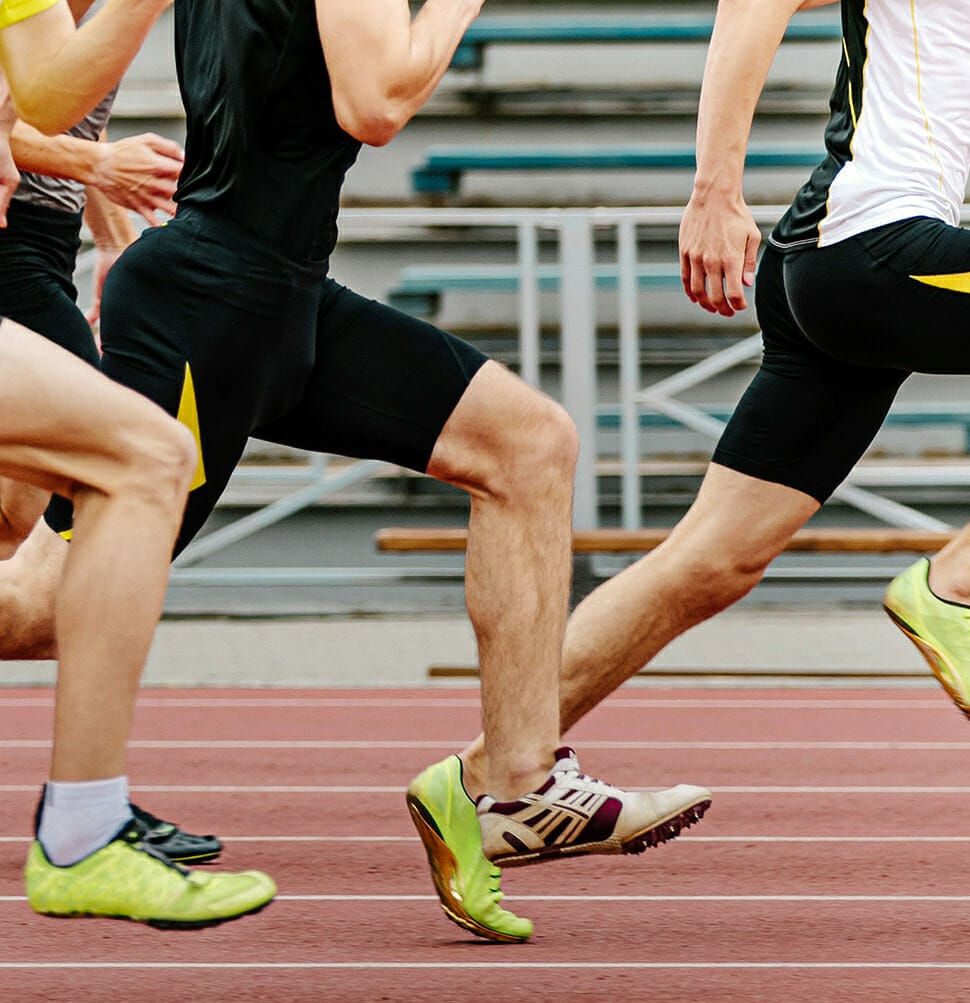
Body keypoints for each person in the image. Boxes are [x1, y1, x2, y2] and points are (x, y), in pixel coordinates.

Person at [2, 0, 711, 944]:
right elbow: (376, 100)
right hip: (204, 309)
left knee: (528, 445)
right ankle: (88, 826)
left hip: (283, 296)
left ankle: (518, 788)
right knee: (41, 611)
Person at [443, 0, 970, 800]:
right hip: (874, 246)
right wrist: (715, 188)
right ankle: (960, 584)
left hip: (844, 262)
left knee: (711, 564)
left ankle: (490, 775)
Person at [0, 0, 275, 927]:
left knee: (18, 528)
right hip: (13, 259)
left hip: (37, 247)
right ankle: (83, 826)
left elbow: (41, 111)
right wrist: (90, 163)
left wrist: (119, 243)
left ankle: (86, 821)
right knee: (142, 460)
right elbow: (39, 104)